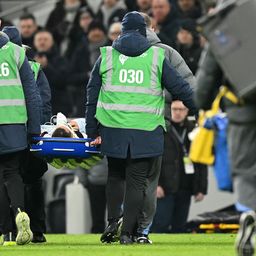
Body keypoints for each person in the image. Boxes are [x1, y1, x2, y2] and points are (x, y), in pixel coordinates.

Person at [86, 11, 196, 244]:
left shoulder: (106, 56)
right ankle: (129, 233)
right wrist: (198, 108)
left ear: (123, 30)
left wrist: (92, 131)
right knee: (138, 182)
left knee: (115, 177)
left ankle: (112, 222)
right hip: (147, 130)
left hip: (113, 128)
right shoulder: (156, 57)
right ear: (145, 30)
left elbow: (91, 96)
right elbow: (181, 87)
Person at [194, 2, 256, 254]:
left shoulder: (225, 26)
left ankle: (248, 212)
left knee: (244, 171)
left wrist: (203, 102)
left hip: (242, 111)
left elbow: (204, 85)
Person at [2, 26, 52, 243]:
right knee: (24, 179)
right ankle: (29, 221)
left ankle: (6, 230)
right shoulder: (26, 62)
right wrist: (37, 129)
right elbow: (39, 100)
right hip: (19, 128)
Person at [151, 100, 207, 233]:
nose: (177, 112)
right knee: (160, 224)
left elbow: (201, 161)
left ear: (187, 111)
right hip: (165, 186)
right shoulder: (162, 129)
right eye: (175, 109)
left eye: (181, 109)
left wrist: (201, 188)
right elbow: (153, 158)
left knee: (180, 226)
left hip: (186, 185)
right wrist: (156, 184)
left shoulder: (194, 130)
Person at [33, 30, 69, 115]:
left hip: (58, 106)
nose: (42, 42)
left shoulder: (61, 59)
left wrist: (46, 67)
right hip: (36, 106)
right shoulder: (28, 59)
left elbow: (63, 81)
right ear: (34, 42)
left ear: (52, 42)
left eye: (45, 39)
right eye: (39, 39)